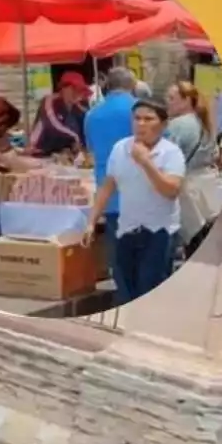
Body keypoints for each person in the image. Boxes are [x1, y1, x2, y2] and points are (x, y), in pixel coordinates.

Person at [83, 98, 185, 306]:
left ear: (162, 124)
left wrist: (146, 162)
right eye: (137, 119)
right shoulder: (120, 148)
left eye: (149, 119)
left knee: (149, 286)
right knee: (126, 288)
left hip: (160, 231)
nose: (141, 124)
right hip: (127, 228)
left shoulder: (171, 153)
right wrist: (91, 221)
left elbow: (171, 190)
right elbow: (107, 186)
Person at [84, 67, 138, 291]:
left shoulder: (92, 114)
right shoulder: (141, 111)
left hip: (109, 193)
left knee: (118, 253)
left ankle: (124, 295)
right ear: (131, 85)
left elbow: (91, 150)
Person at [28, 71, 88, 157]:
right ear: (63, 88)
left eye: (80, 90)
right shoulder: (49, 101)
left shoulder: (79, 107)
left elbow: (86, 126)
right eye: (74, 88)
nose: (77, 93)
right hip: (40, 151)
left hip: (63, 155)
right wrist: (74, 136)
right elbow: (52, 124)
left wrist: (81, 146)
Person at [165, 81, 217, 173]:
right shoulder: (203, 122)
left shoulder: (177, 125)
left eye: (171, 98)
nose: (167, 102)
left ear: (186, 101)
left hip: (183, 180)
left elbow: (165, 157)